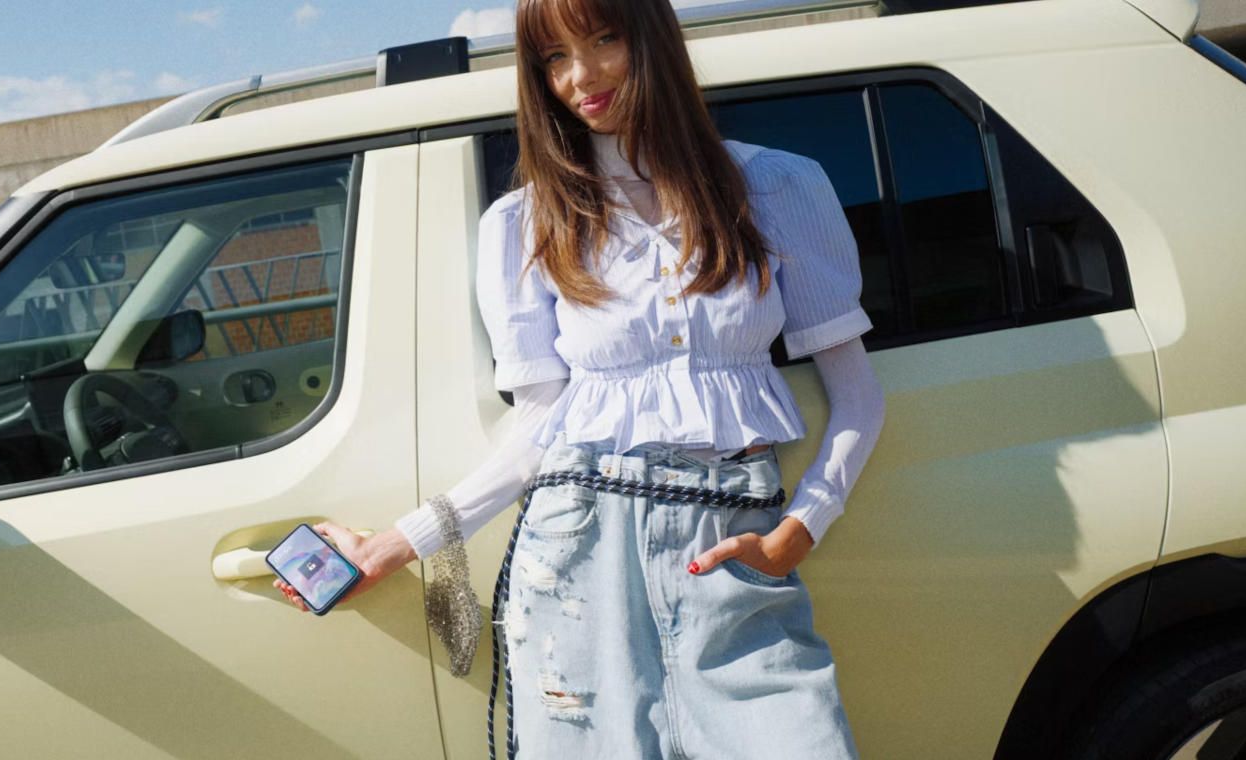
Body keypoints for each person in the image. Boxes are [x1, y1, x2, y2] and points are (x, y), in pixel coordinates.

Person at [277, 0, 885, 755]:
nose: (581, 76)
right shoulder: (525, 223)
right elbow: (539, 430)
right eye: (554, 57)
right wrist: (396, 545)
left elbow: (857, 393)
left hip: (729, 544)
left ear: (652, 41)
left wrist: (797, 534)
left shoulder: (776, 186)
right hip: (578, 551)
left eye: (604, 39)